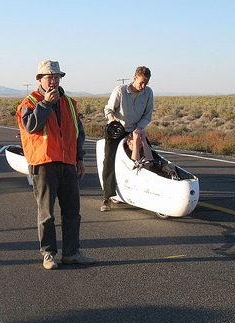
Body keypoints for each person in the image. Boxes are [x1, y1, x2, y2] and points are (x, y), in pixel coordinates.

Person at [17, 60, 96, 270]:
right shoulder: (30, 102)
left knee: (72, 212)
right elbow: (31, 126)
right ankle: (48, 254)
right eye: (49, 77)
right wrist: (45, 104)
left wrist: (79, 158)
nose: (53, 81)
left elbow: (78, 132)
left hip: (68, 163)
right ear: (40, 79)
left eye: (56, 77)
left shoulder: (69, 102)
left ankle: (71, 253)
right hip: (44, 165)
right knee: (47, 213)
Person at [101, 66, 153, 212]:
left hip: (135, 129)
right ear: (135, 78)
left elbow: (147, 116)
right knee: (109, 161)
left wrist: (138, 129)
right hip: (116, 129)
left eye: (146, 83)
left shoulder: (148, 93)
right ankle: (107, 197)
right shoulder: (121, 91)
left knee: (148, 156)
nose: (143, 86)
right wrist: (112, 119)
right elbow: (108, 109)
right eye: (141, 82)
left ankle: (146, 190)